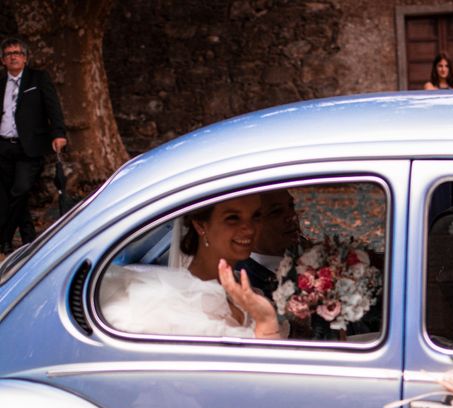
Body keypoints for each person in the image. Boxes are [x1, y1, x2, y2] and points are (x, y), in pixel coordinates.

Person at [100, 195, 286, 339]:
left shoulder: (253, 292)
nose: (250, 228)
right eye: (233, 218)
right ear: (200, 225)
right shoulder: (176, 303)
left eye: (256, 216)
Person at [0, 37, 67, 254]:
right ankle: (28, 240)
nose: (13, 56)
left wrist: (59, 133)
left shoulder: (38, 79)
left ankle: (3, 239)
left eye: (17, 53)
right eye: (9, 54)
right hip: (3, 146)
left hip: (29, 146)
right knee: (10, 195)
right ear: (2, 60)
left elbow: (53, 107)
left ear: (26, 58)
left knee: (20, 190)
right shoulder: (0, 82)